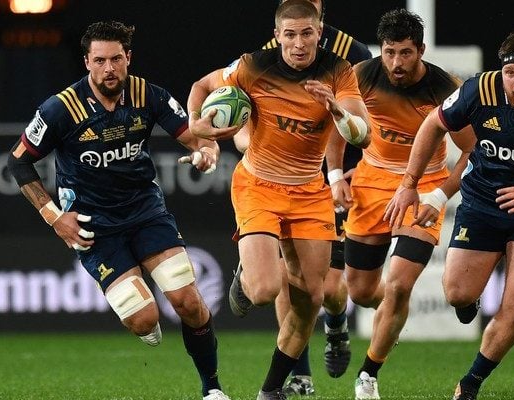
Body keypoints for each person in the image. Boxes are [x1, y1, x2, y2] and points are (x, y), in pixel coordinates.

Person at [6, 21, 231, 400]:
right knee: (143, 319)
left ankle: (212, 389)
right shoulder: (61, 108)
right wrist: (54, 216)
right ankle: (143, 319)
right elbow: (18, 161)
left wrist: (207, 152)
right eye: (99, 61)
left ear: (128, 57)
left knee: (188, 302)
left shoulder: (148, 94)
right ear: (86, 62)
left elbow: (196, 138)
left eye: (115, 59)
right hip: (94, 225)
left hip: (146, 211)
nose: (108, 68)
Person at [385, 30, 514, 400]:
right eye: (510, 73)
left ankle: (471, 383)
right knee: (456, 293)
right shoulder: (479, 90)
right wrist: (409, 183)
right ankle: (469, 300)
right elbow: (433, 124)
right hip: (483, 203)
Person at [187, 1, 371, 399]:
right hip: (259, 186)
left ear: (319, 32)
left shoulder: (339, 70)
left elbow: (363, 133)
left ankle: (270, 391)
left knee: (312, 299)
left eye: (306, 34)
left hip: (309, 193)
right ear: (278, 35)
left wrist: (336, 109)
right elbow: (201, 86)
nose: (299, 43)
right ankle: (249, 272)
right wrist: (197, 125)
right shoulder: (253, 65)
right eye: (290, 35)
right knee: (264, 291)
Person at [326, 9, 475, 400]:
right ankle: (394, 311)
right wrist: (336, 175)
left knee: (399, 284)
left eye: (405, 53)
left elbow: (471, 152)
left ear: (420, 51)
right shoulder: (361, 75)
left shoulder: (445, 88)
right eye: (389, 52)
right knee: (361, 292)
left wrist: (440, 195)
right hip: (371, 181)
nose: (396, 62)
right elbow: (337, 124)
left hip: (422, 187)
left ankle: (368, 375)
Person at [254, 0, 374, 396]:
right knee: (285, 278)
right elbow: (249, 107)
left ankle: (336, 324)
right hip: (283, 181)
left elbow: (366, 121)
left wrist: (345, 173)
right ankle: (300, 374)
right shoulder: (272, 51)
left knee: (330, 289)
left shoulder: (353, 54)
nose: (298, 41)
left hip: (336, 181)